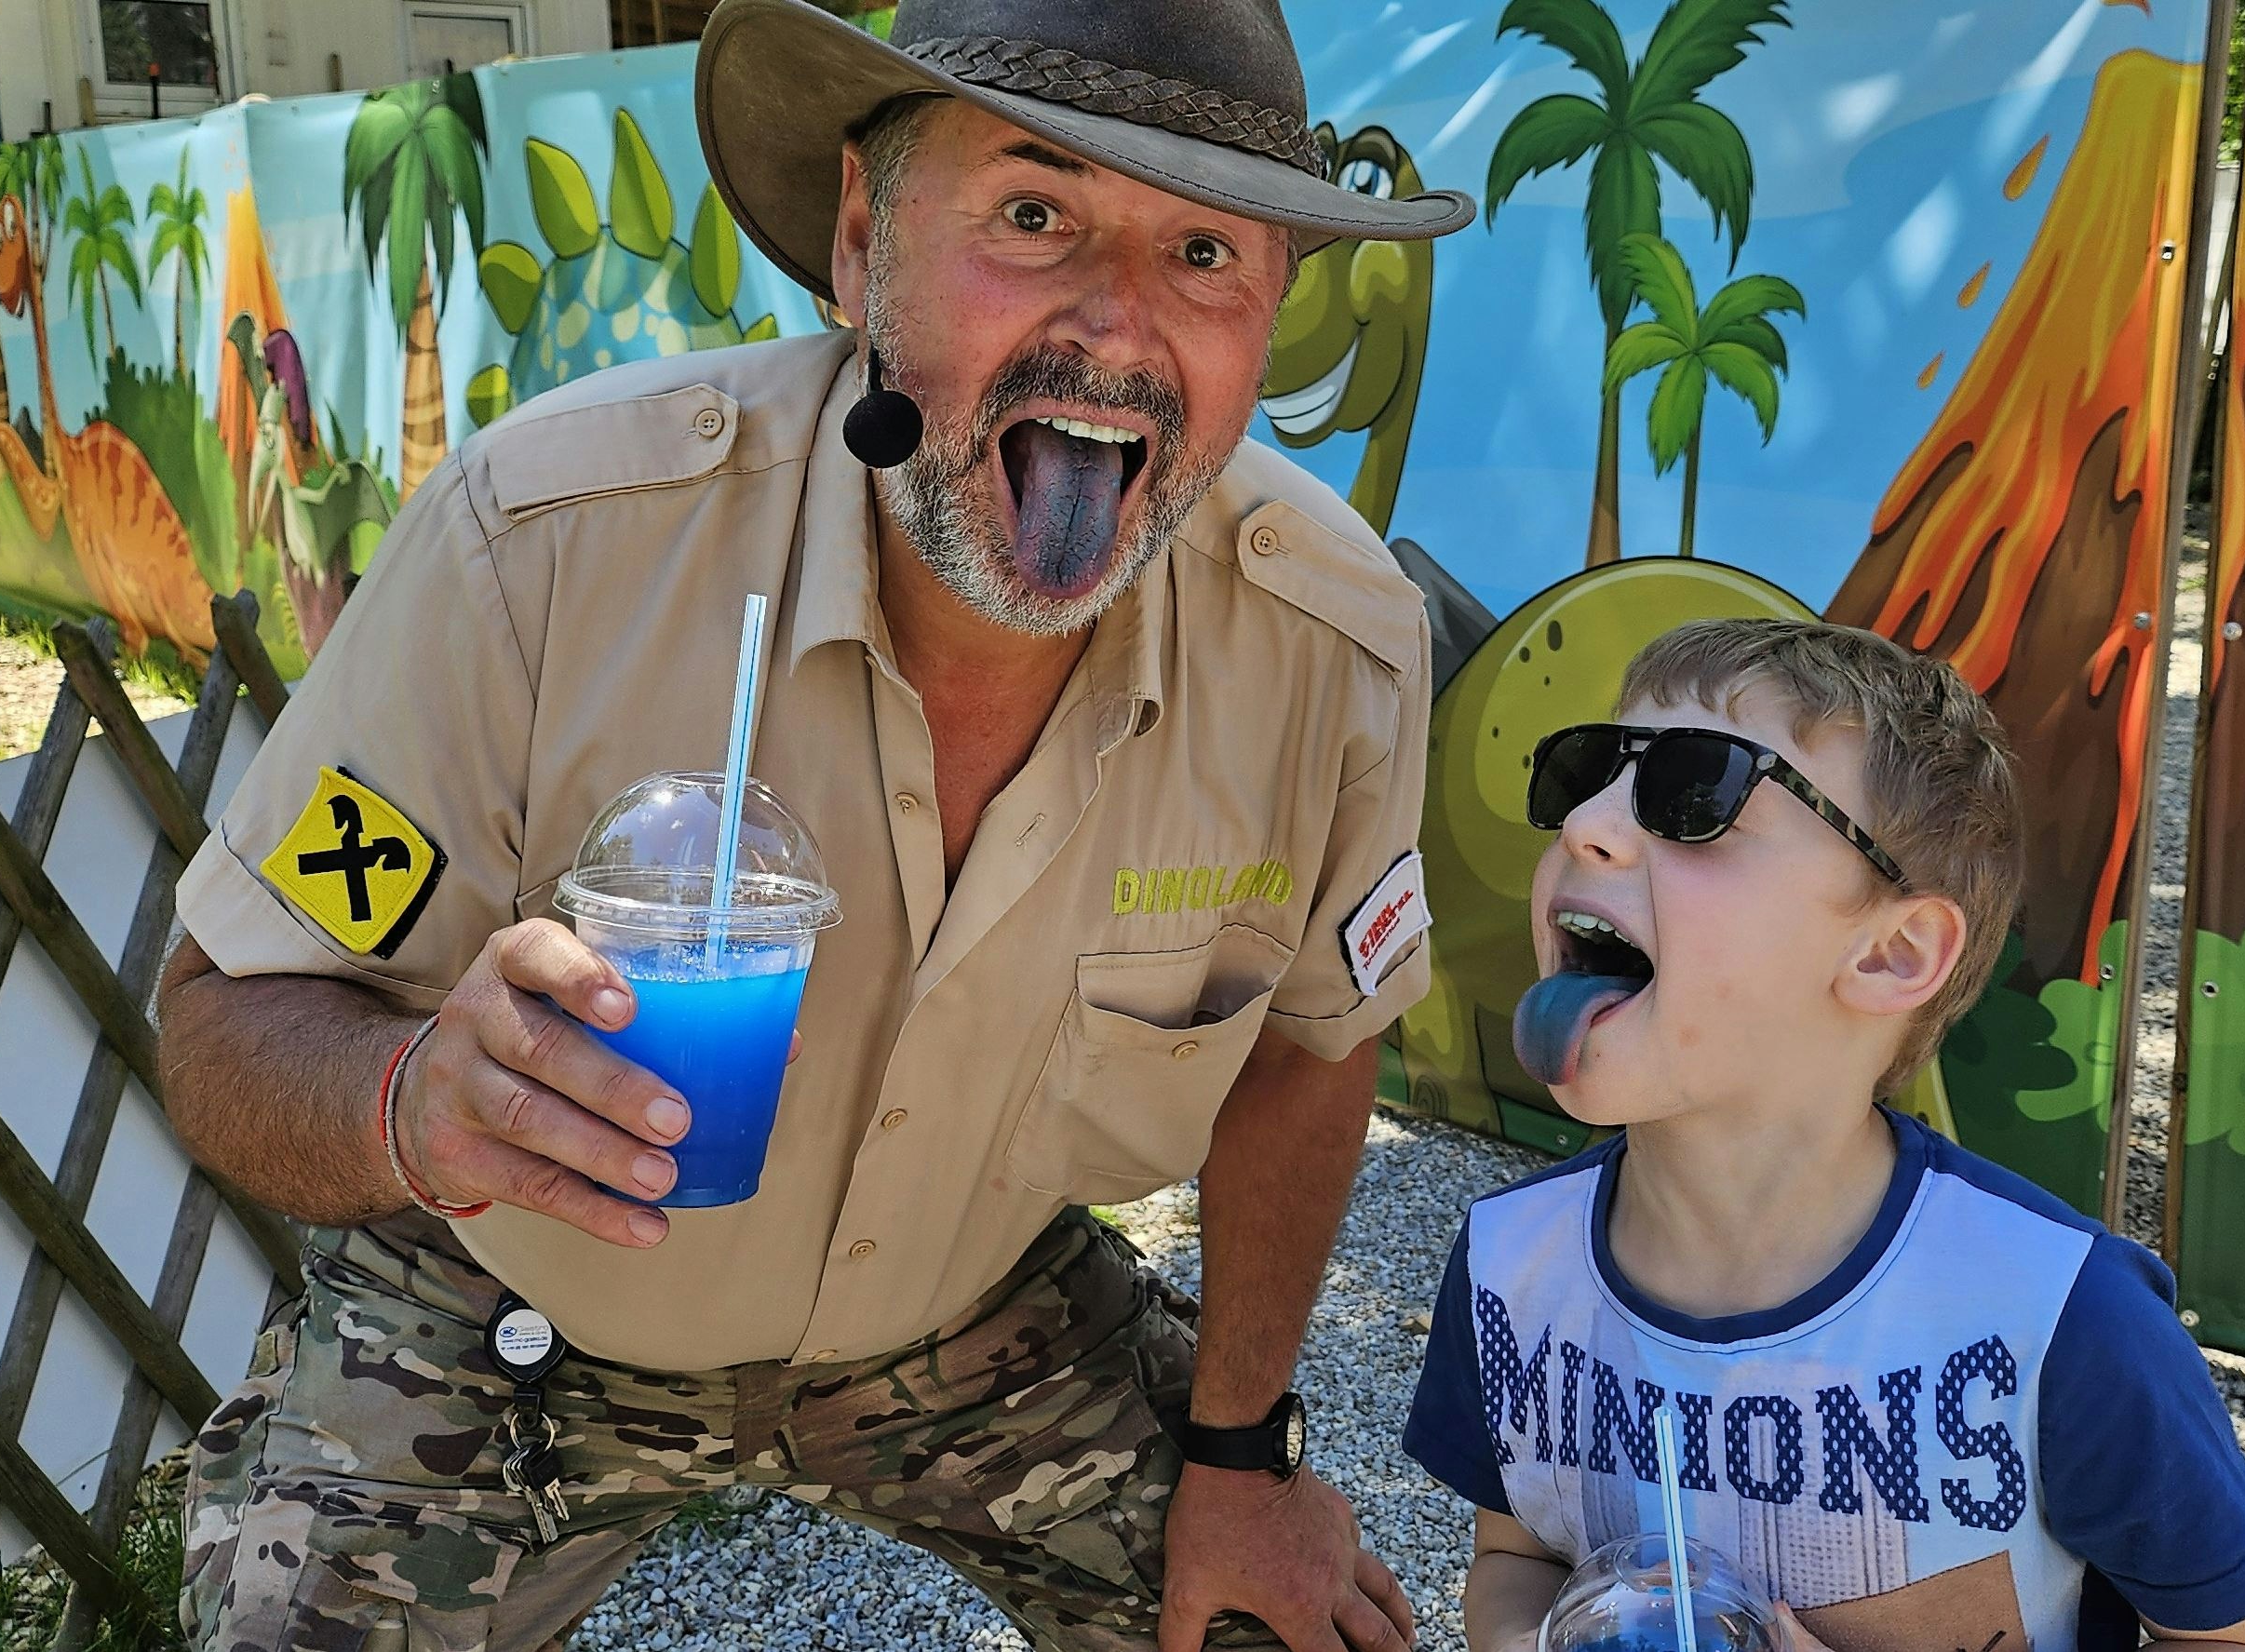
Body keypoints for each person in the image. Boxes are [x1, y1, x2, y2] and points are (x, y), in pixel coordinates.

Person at [155, 3, 1471, 1649]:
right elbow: (224, 1019)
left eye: (1206, 251)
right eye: (1033, 216)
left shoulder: (1327, 642)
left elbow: (1309, 1047)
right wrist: (417, 1099)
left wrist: (1245, 1453)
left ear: (1272, 311)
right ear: (865, 243)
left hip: (969, 1315)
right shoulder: (543, 547)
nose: (1118, 328)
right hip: (521, 1307)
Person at [1401, 621, 2245, 1652]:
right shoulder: (1507, 1270)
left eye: (1693, 794)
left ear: (1889, 953)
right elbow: (1515, 1556)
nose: (1588, 826)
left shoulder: (2058, 1317)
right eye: (1586, 773)